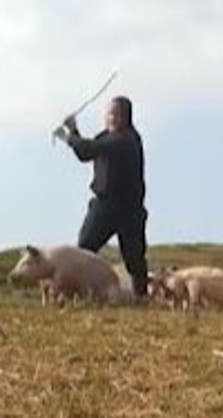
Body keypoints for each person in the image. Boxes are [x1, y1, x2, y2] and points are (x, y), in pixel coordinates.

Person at [58, 96, 148, 298]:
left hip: (129, 209)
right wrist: (73, 131)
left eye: (115, 114)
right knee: (85, 248)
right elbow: (85, 153)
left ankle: (141, 297)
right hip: (104, 206)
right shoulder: (108, 137)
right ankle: (78, 293)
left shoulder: (126, 140)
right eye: (109, 114)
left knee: (134, 257)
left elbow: (90, 148)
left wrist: (69, 137)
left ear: (126, 117)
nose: (111, 118)